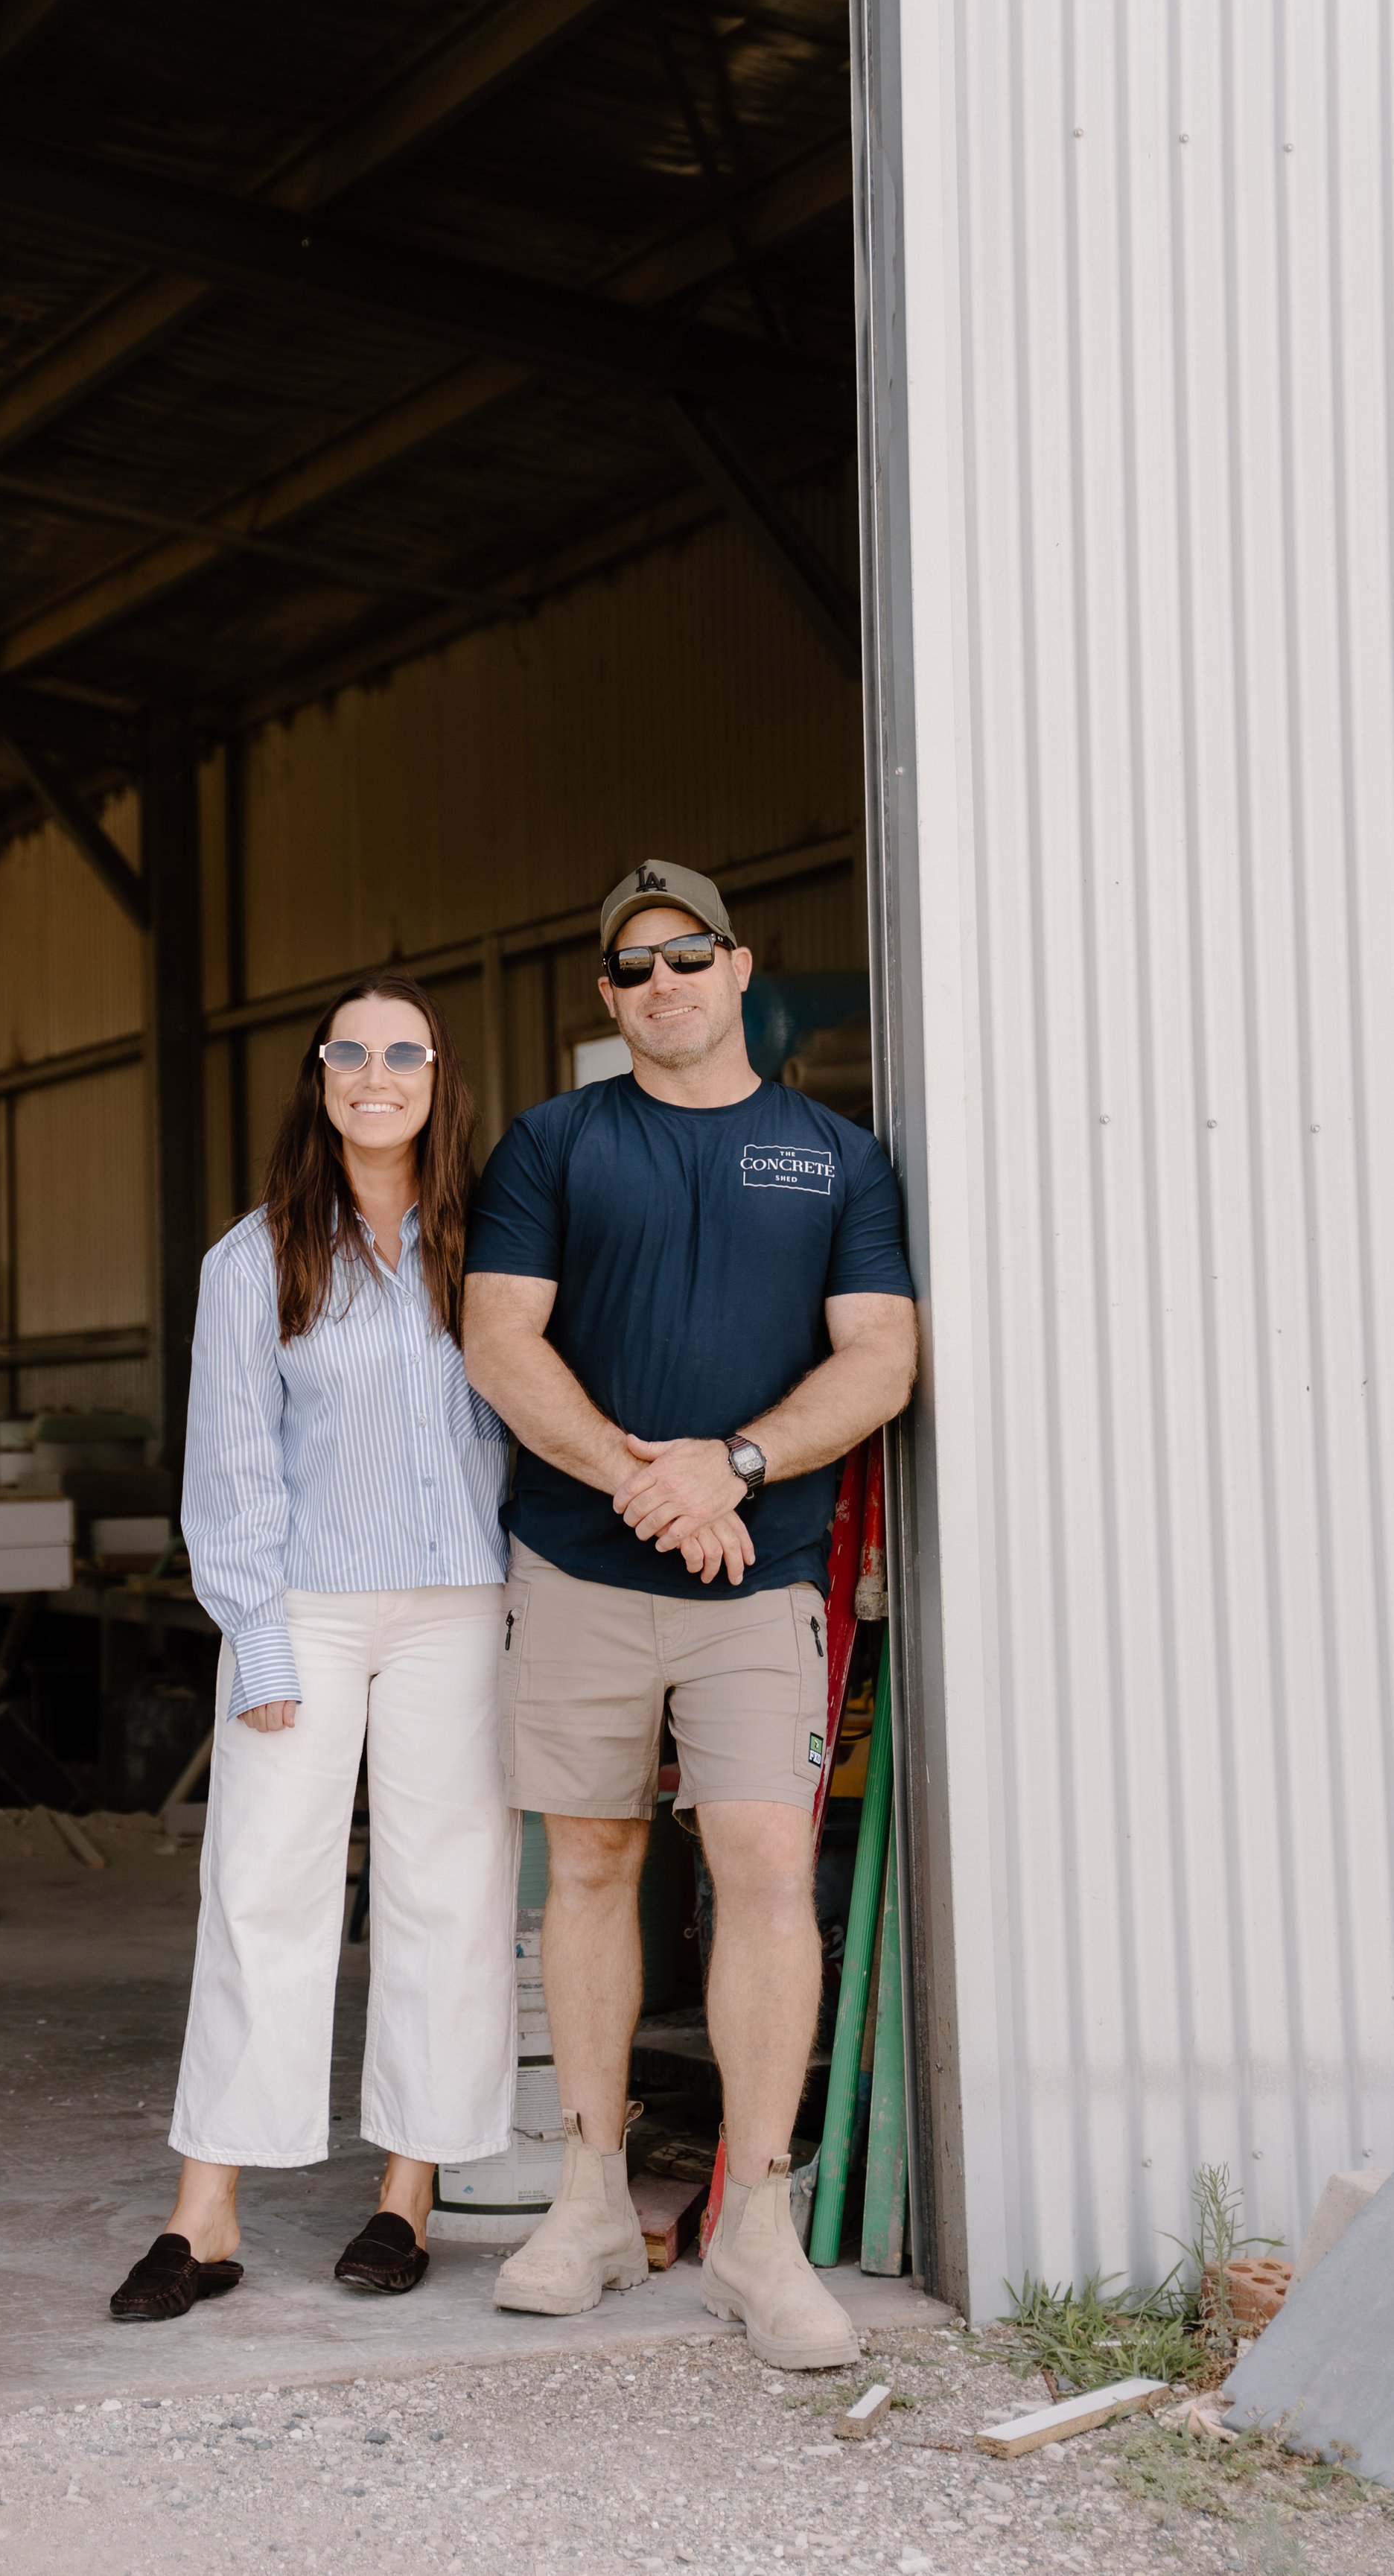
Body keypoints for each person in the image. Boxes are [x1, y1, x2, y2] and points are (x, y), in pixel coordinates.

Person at [462, 860, 917, 2368]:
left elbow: (877, 1361)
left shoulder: (835, 1158)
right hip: (578, 1569)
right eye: (634, 969)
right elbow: (496, 1340)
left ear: (738, 970)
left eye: (689, 957)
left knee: (766, 1866)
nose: (663, 985)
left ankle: (754, 2232)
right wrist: (634, 1480)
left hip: (760, 1575)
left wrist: (727, 1466)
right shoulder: (552, 1144)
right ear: (608, 999)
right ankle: (590, 2200)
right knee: (585, 1862)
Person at [108, 973, 515, 2323]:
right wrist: (260, 1645)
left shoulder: (493, 1247)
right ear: (324, 1077)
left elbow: (528, 1429)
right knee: (260, 1892)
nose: (378, 1071)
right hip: (306, 1610)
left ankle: (407, 2192)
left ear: (439, 1073)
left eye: (405, 1050)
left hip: (461, 1604)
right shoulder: (256, 1256)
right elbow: (226, 1473)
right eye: (354, 1051)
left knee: (444, 1895)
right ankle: (204, 2212)